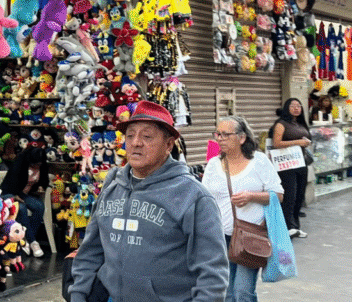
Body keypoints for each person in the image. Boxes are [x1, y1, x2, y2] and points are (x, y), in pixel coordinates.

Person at [68, 101, 229, 302]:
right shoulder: (112, 188)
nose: (135, 142)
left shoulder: (193, 196)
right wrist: (78, 294)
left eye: (147, 136)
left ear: (169, 144)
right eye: (130, 135)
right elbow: (90, 252)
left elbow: (212, 274)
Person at [203, 116, 284, 302]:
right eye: (218, 134)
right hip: (220, 237)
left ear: (241, 138)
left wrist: (251, 196)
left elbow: (278, 195)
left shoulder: (259, 161)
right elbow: (205, 199)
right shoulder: (213, 165)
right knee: (227, 293)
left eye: (225, 134)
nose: (220, 139)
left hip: (251, 236)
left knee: (243, 292)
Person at [269, 98, 311, 238]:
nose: (296, 108)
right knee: (289, 196)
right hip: (286, 166)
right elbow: (276, 143)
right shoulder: (281, 124)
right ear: (287, 108)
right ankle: (287, 227)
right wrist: (298, 142)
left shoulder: (300, 123)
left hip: (301, 163)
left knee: (300, 195)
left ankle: (295, 226)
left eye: (299, 106)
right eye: (293, 106)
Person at [0, 146, 49, 258]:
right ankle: (33, 242)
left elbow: (45, 180)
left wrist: (41, 187)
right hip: (11, 193)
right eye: (34, 164)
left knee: (39, 207)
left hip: (26, 194)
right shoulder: (19, 164)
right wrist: (17, 196)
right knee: (21, 208)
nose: (36, 166)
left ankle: (26, 239)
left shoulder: (43, 166)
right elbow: (11, 185)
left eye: (39, 164)